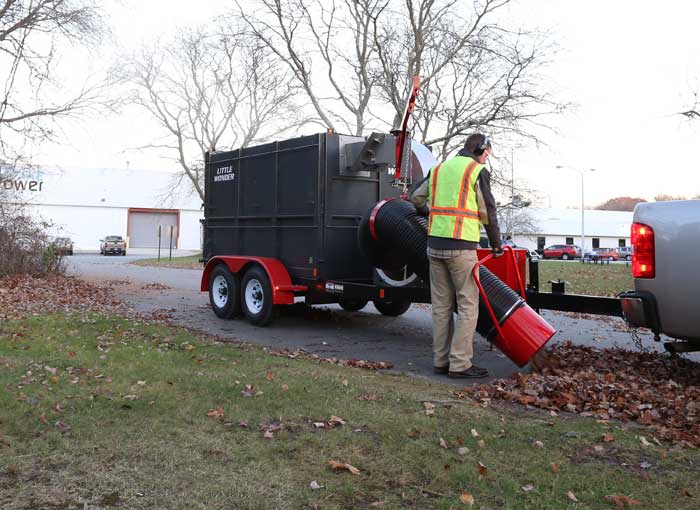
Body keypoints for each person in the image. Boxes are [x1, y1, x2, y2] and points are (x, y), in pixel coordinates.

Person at [411, 133, 502, 378]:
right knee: (468, 306)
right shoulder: (476, 171)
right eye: (486, 154)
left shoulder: (439, 169)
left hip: (434, 246)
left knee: (441, 306)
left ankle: (440, 362)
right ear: (482, 150)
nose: (485, 160)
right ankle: (460, 365)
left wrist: (429, 212)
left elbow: (415, 198)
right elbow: (487, 211)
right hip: (461, 248)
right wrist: (496, 244)